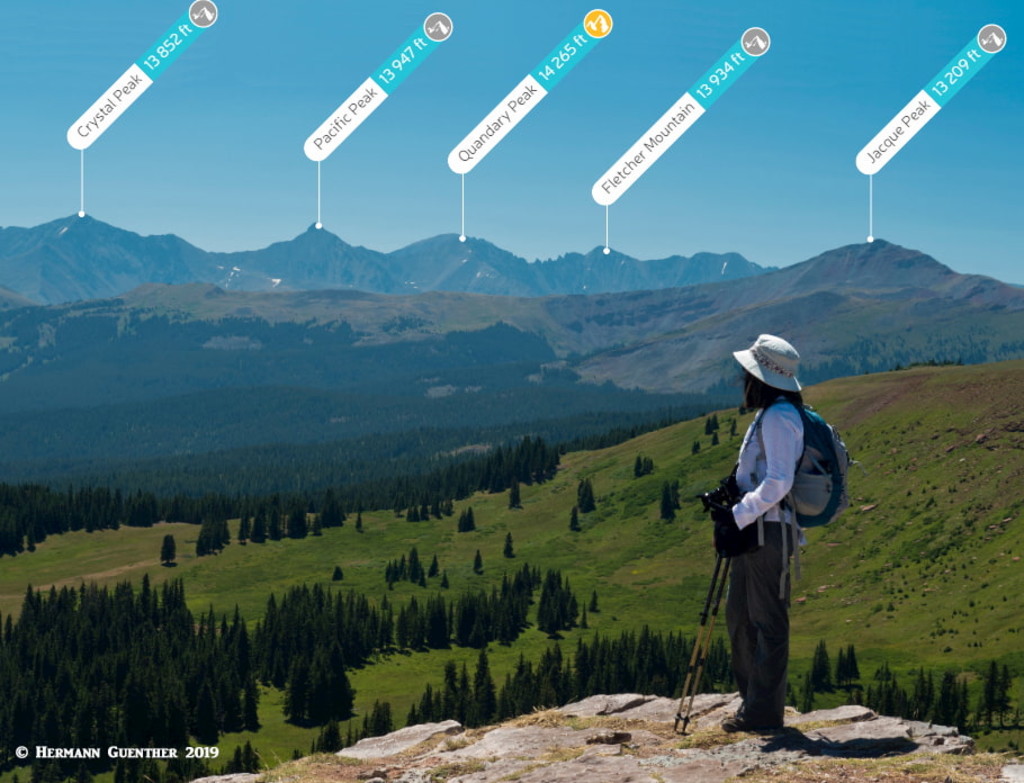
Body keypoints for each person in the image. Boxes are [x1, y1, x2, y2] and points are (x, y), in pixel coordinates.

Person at [715, 333, 805, 732]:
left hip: (767, 530)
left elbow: (779, 481)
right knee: (740, 618)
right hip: (758, 528)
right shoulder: (772, 414)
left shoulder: (779, 416)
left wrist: (738, 514)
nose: (742, 380)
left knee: (767, 622)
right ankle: (752, 705)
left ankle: (762, 714)